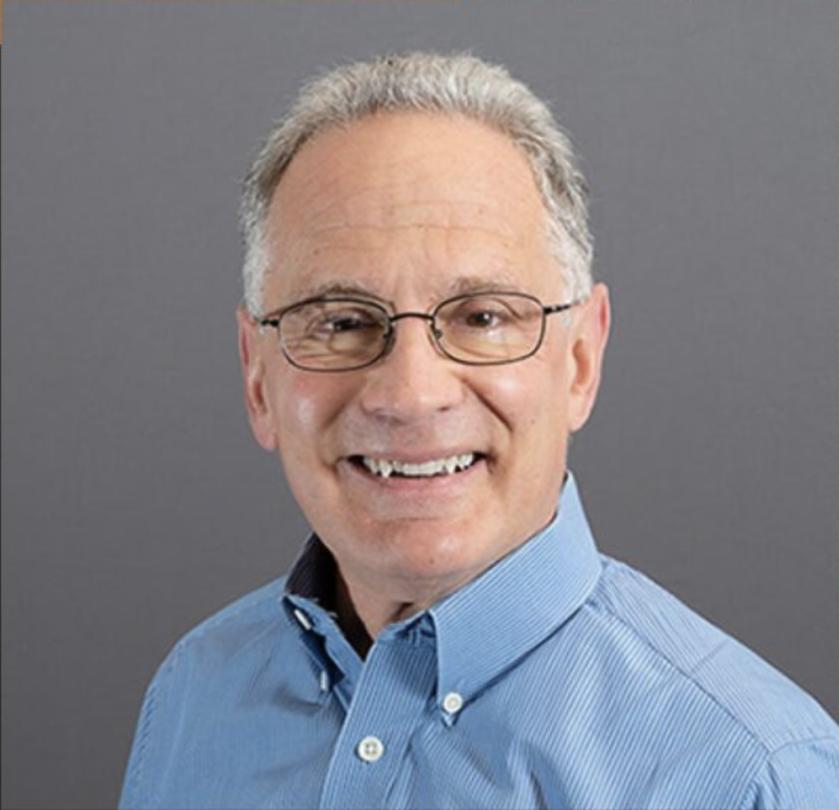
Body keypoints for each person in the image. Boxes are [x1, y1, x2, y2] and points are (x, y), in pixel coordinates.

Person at [119, 52, 838, 809]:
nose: (410, 395)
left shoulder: (755, 777)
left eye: (483, 318)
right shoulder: (195, 695)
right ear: (257, 377)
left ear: (581, 360)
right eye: (339, 321)